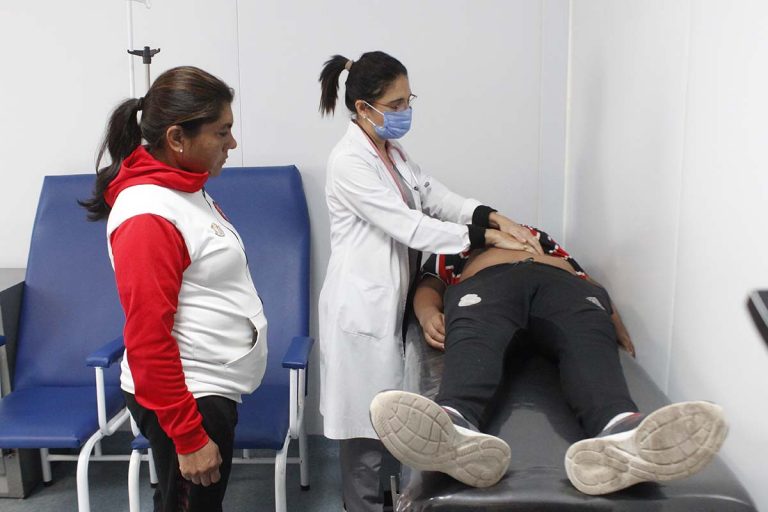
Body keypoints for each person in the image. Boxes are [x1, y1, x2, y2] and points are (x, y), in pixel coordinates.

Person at [317, 51, 543, 512]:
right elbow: (410, 226)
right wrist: (484, 236)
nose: (405, 111)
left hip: (393, 300)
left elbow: (437, 197)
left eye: (408, 100)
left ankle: (389, 500)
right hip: (361, 306)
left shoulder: (391, 152)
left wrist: (494, 216)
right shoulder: (348, 162)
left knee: (392, 424)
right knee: (364, 438)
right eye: (396, 104)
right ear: (363, 108)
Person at [370, 226, 728, 495]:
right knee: (476, 336)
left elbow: (588, 281)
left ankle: (622, 431)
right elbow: (429, 284)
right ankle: (453, 425)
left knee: (586, 337)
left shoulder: (541, 238)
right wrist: (428, 314)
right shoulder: (458, 242)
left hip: (563, 287)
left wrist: (612, 324)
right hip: (490, 285)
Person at [80, 66, 268, 512]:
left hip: (208, 388)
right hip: (190, 396)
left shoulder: (184, 188)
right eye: (222, 132)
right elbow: (147, 339)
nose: (232, 144)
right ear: (177, 138)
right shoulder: (149, 215)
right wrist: (188, 436)